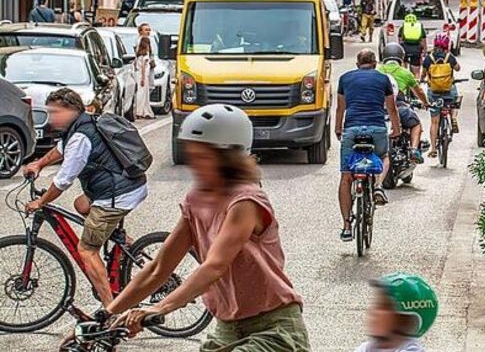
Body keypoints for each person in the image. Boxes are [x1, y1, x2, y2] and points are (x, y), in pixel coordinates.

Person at [107, 105, 310, 350]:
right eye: (191, 156)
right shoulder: (196, 201)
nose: (195, 165)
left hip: (273, 329)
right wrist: (106, 316)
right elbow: (158, 268)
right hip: (227, 328)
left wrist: (161, 306)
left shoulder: (246, 201)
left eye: (204, 157)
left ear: (230, 158)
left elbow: (215, 266)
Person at [21, 89, 148, 307]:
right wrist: (39, 164)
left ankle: (112, 311)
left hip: (117, 194)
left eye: (55, 112)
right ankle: (126, 243)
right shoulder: (80, 125)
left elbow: (63, 181)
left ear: (72, 110)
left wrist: (41, 202)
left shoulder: (81, 136)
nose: (51, 117)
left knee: (87, 250)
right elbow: (60, 150)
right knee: (80, 204)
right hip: (118, 187)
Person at [336, 49, 401, 239]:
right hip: (376, 128)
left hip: (352, 129)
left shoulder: (345, 78)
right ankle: (379, 185)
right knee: (384, 156)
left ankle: (347, 226)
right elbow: (392, 108)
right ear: (375, 63)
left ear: (357, 64)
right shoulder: (383, 79)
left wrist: (338, 129)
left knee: (346, 176)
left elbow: (341, 107)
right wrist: (396, 130)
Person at [355, 273, 438, 352]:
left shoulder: (412, 349)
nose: (373, 311)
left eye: (382, 306)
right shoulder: (367, 348)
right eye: (375, 304)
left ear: (404, 318)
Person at [379, 43, 430, 164]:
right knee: (416, 124)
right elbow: (419, 91)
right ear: (401, 58)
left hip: (379, 108)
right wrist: (426, 103)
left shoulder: (377, 70)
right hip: (399, 107)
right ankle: (413, 150)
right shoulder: (405, 73)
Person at [423, 33, 461, 160]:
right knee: (456, 100)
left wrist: (423, 79)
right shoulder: (450, 57)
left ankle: (433, 148)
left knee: (434, 122)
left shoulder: (429, 58)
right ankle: (454, 117)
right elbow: (458, 69)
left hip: (434, 92)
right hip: (448, 91)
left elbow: (423, 74)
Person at [134, 27, 155, 119]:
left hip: (140, 74)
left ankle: (142, 111)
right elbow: (143, 65)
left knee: (142, 93)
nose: (148, 31)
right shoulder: (145, 54)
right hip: (143, 75)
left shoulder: (139, 52)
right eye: (146, 30)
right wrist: (143, 78)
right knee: (142, 93)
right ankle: (142, 111)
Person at [400, 13, 427, 80]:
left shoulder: (403, 27)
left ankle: (405, 83)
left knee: (404, 70)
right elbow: (423, 41)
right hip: (416, 50)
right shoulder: (419, 27)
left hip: (405, 49)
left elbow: (400, 41)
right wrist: (424, 51)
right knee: (416, 72)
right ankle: (416, 84)